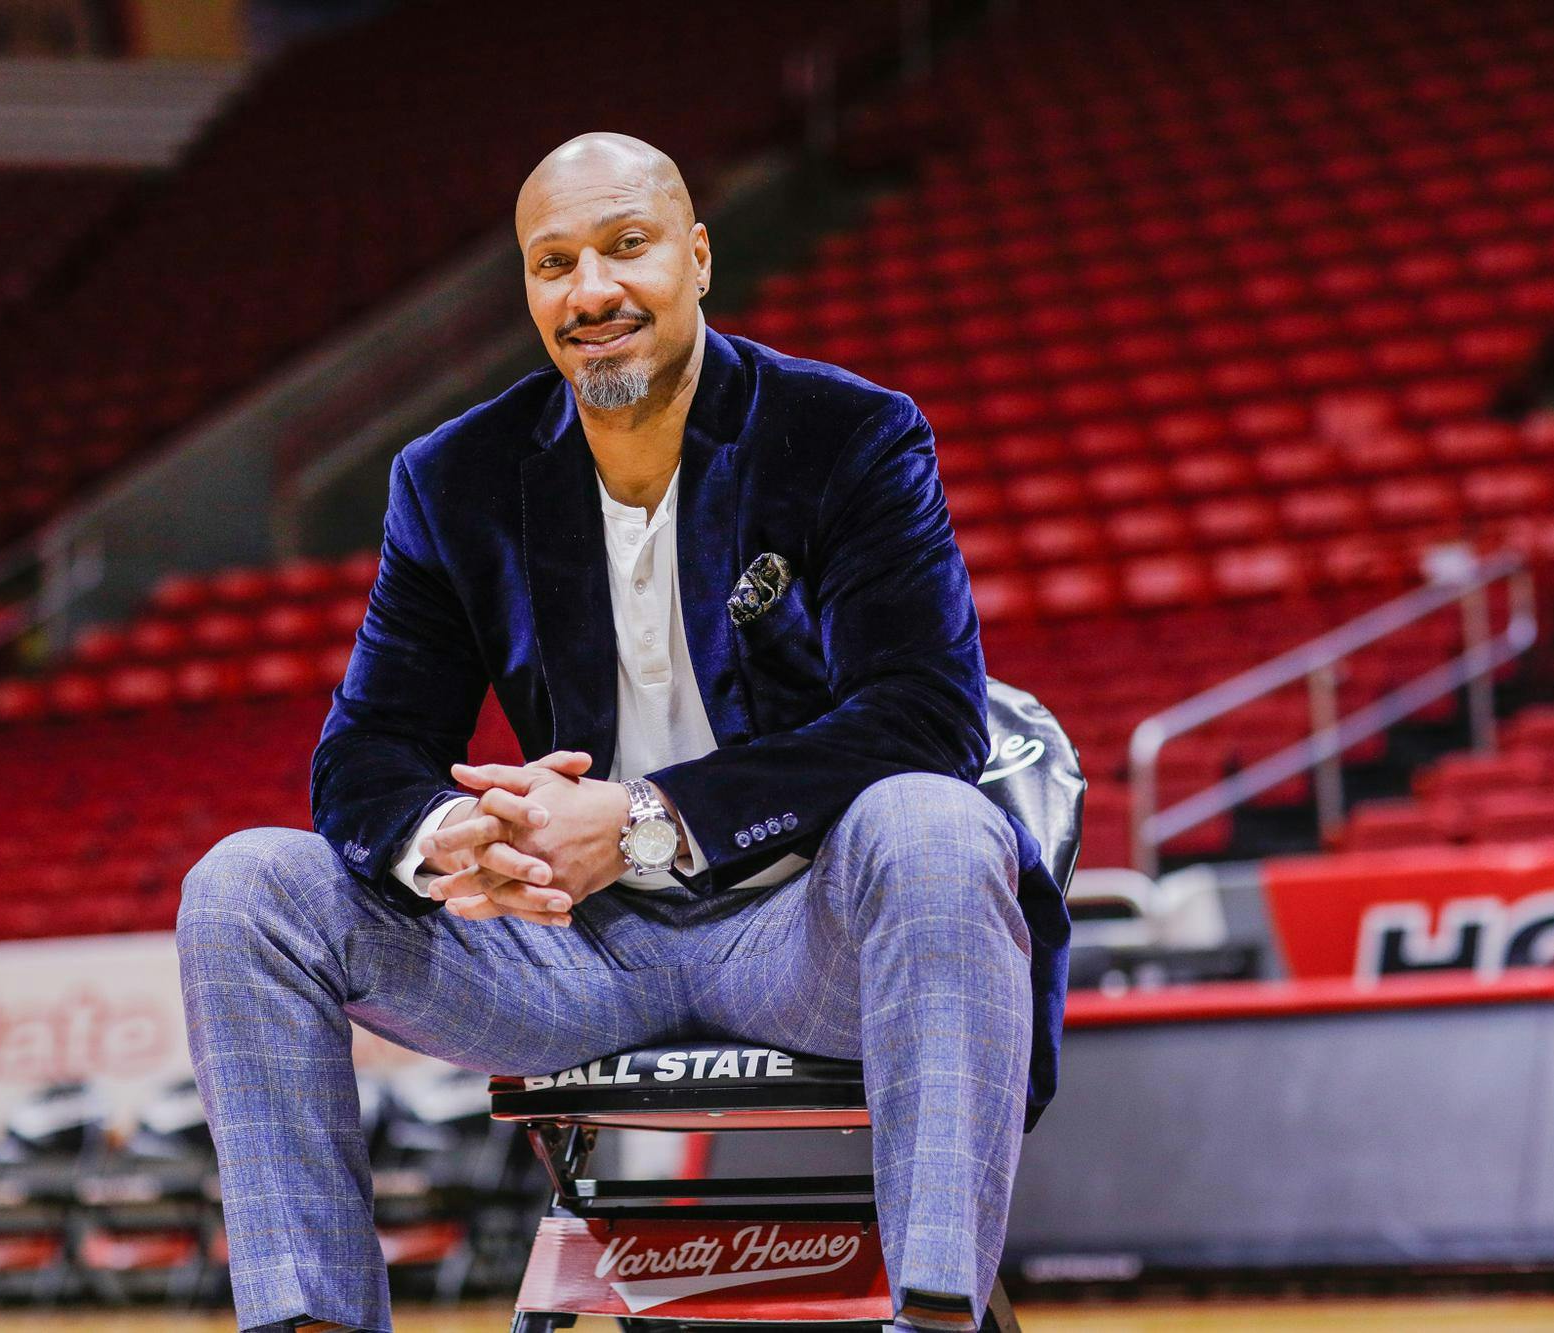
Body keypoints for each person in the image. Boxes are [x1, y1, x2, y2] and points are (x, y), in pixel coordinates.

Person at [177, 131, 1071, 1333]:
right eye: (553, 263)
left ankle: (931, 1315)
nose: (589, 290)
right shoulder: (454, 480)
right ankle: (310, 1322)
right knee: (243, 888)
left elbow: (925, 716)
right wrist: (451, 835)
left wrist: (650, 820)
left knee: (934, 821)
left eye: (624, 247)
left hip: (803, 935)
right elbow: (362, 754)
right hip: (574, 953)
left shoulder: (844, 435)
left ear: (697, 259)